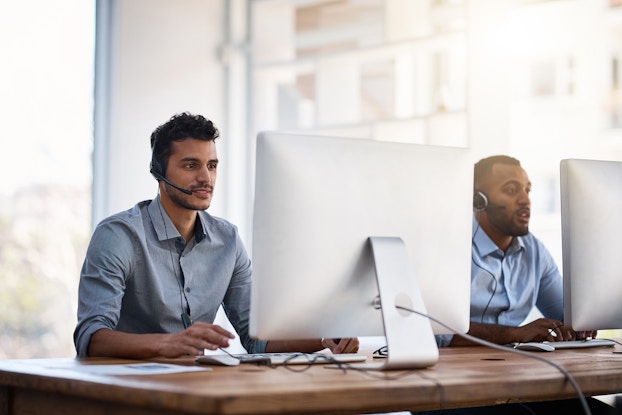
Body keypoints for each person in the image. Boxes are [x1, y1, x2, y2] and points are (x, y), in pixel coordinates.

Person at [73, 112, 359, 359]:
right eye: (190, 165)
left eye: (211, 165)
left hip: (193, 389)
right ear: (159, 173)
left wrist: (323, 338)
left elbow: (256, 338)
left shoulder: (228, 241)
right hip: (127, 392)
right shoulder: (119, 235)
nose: (205, 178)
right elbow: (91, 337)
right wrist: (169, 343)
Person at [426, 155, 614, 415]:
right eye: (511, 190)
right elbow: (440, 333)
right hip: (447, 385)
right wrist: (514, 335)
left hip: (512, 378)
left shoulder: (533, 250)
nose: (525, 200)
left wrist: (579, 324)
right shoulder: (446, 246)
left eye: (527, 190)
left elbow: (566, 315)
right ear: (477, 199)